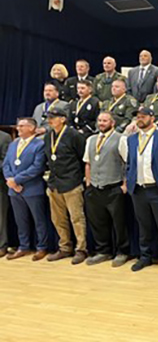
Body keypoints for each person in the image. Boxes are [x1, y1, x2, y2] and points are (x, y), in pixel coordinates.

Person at [125, 107, 158, 274]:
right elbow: (129, 163)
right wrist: (128, 179)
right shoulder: (132, 139)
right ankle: (145, 256)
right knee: (143, 225)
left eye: (143, 116)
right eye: (137, 117)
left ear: (152, 118)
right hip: (138, 189)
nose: (139, 119)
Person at [83, 112, 129, 267]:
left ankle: (122, 252)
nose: (101, 123)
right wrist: (88, 182)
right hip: (95, 187)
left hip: (114, 187)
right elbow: (88, 162)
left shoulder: (121, 139)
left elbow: (127, 162)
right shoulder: (91, 140)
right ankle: (103, 251)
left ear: (113, 122)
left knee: (119, 223)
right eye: (99, 120)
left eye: (105, 120)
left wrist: (124, 185)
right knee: (98, 222)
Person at [44, 107, 87, 264]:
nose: (49, 120)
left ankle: (81, 249)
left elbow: (82, 157)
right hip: (54, 183)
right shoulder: (48, 135)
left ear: (63, 119)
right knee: (58, 219)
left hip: (71, 183)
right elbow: (48, 157)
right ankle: (64, 247)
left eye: (53, 117)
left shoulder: (74, 135)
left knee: (77, 218)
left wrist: (80, 178)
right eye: (48, 117)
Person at [3, 118, 49, 261]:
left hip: (32, 188)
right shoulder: (13, 143)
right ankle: (24, 246)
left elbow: (37, 167)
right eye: (18, 125)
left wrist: (16, 180)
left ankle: (42, 247)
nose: (18, 128)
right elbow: (6, 164)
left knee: (38, 219)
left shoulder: (39, 144)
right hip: (14, 189)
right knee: (20, 220)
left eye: (22, 126)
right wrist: (10, 180)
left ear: (32, 128)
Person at [0, 130, 11, 258]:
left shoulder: (4, 137)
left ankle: (2, 245)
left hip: (0, 182)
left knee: (1, 216)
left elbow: (5, 161)